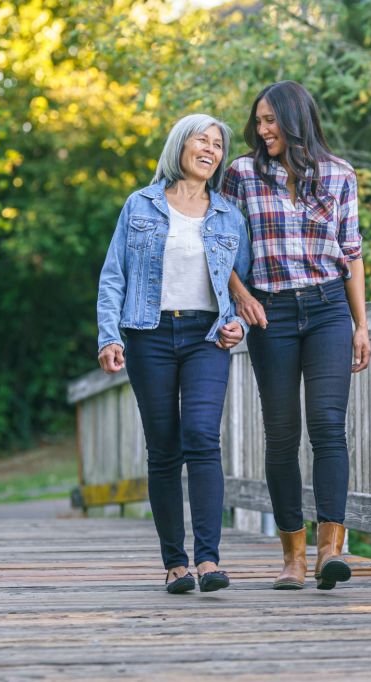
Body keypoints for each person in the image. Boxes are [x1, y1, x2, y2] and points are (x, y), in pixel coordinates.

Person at [223, 81, 371, 591]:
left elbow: (351, 254)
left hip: (328, 308)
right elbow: (217, 243)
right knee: (282, 434)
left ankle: (331, 549)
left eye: (271, 120)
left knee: (329, 426)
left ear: (295, 119)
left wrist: (361, 325)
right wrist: (241, 295)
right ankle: (292, 557)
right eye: (258, 121)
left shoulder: (340, 175)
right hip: (272, 314)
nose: (263, 130)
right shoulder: (241, 174)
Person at [97, 113, 250, 594]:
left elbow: (242, 289)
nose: (210, 150)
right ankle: (175, 564)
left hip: (206, 338)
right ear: (179, 147)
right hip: (149, 335)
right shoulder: (139, 206)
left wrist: (238, 325)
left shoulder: (229, 215)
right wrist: (109, 336)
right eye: (201, 141)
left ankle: (208, 559)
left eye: (218, 145)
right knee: (163, 447)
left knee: (202, 436)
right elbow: (113, 275)